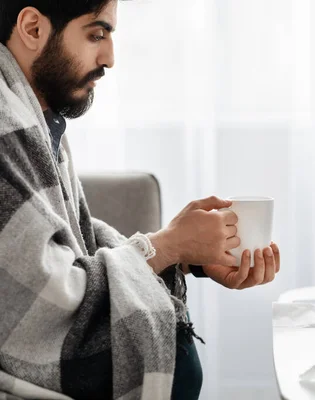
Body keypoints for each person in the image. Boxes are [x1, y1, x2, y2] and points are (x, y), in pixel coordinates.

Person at [0, 1, 281, 399]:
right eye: (96, 35)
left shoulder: (33, 116)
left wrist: (185, 255)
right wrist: (164, 247)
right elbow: (35, 305)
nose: (110, 58)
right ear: (32, 28)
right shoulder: (6, 126)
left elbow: (68, 245)